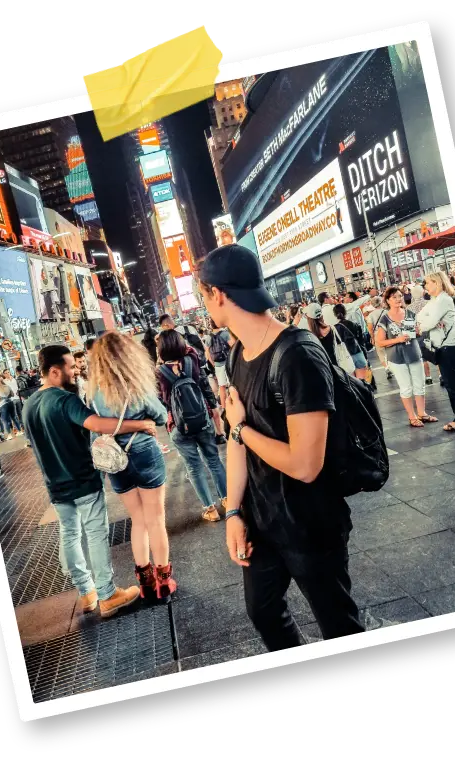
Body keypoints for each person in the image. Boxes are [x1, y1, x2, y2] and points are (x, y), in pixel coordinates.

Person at [198, 244, 364, 651]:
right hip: (261, 517)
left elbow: (306, 464)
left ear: (217, 294)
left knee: (338, 626)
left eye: (204, 296)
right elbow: (237, 446)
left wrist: (240, 428)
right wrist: (233, 511)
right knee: (264, 611)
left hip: (309, 521)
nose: (205, 306)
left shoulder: (298, 355)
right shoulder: (238, 352)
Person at [23, 345, 156, 617]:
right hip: (82, 479)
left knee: (69, 535)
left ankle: (86, 593)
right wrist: (139, 425)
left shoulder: (28, 405)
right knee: (95, 534)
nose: (76, 371)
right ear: (54, 371)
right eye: (70, 367)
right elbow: (96, 424)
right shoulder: (63, 400)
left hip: (55, 484)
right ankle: (107, 594)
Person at [88, 332, 176, 602]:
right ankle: (164, 581)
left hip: (115, 460)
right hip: (144, 453)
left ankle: (145, 581)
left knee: (137, 520)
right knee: (155, 519)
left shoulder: (94, 393)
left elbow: (96, 431)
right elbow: (160, 416)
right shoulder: (135, 385)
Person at [157, 329, 228, 523]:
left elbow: (162, 402)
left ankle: (210, 510)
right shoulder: (192, 361)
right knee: (214, 460)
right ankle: (228, 500)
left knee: (194, 467)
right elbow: (204, 384)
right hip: (202, 419)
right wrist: (213, 406)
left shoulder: (159, 373)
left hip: (178, 426)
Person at [376, 286, 437, 428]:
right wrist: (397, 339)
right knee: (406, 387)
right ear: (387, 300)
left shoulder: (409, 313)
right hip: (396, 357)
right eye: (394, 297)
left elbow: (416, 333)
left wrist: (417, 331)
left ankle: (422, 413)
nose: (398, 299)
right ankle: (412, 416)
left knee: (419, 385)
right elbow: (379, 342)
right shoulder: (385, 319)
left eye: (399, 296)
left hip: (414, 353)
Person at [418, 273, 455, 431]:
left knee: (452, 385)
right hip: (445, 346)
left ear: (437, 283)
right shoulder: (435, 300)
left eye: (427, 283)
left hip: (448, 347)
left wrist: (426, 325)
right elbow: (421, 316)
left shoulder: (443, 300)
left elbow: (428, 323)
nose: (425, 286)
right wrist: (429, 322)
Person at [333, 303, 369, 380]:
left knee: (352, 381)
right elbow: (361, 340)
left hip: (346, 356)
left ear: (335, 314)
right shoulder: (354, 325)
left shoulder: (335, 329)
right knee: (363, 380)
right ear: (345, 312)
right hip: (357, 352)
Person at [0, 372, 22, 439]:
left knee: (5, 420)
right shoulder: (7, 386)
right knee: (14, 417)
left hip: (3, 405)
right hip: (11, 402)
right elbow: (12, 395)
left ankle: (9, 434)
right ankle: (19, 431)